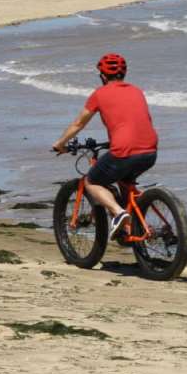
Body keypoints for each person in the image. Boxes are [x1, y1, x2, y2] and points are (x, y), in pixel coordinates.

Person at [52, 54, 158, 239]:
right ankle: (131, 226)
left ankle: (118, 213)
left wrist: (60, 143)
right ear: (124, 73)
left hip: (123, 150)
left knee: (91, 182)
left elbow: (79, 123)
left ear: (102, 75)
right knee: (125, 179)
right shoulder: (137, 91)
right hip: (150, 150)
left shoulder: (99, 94)